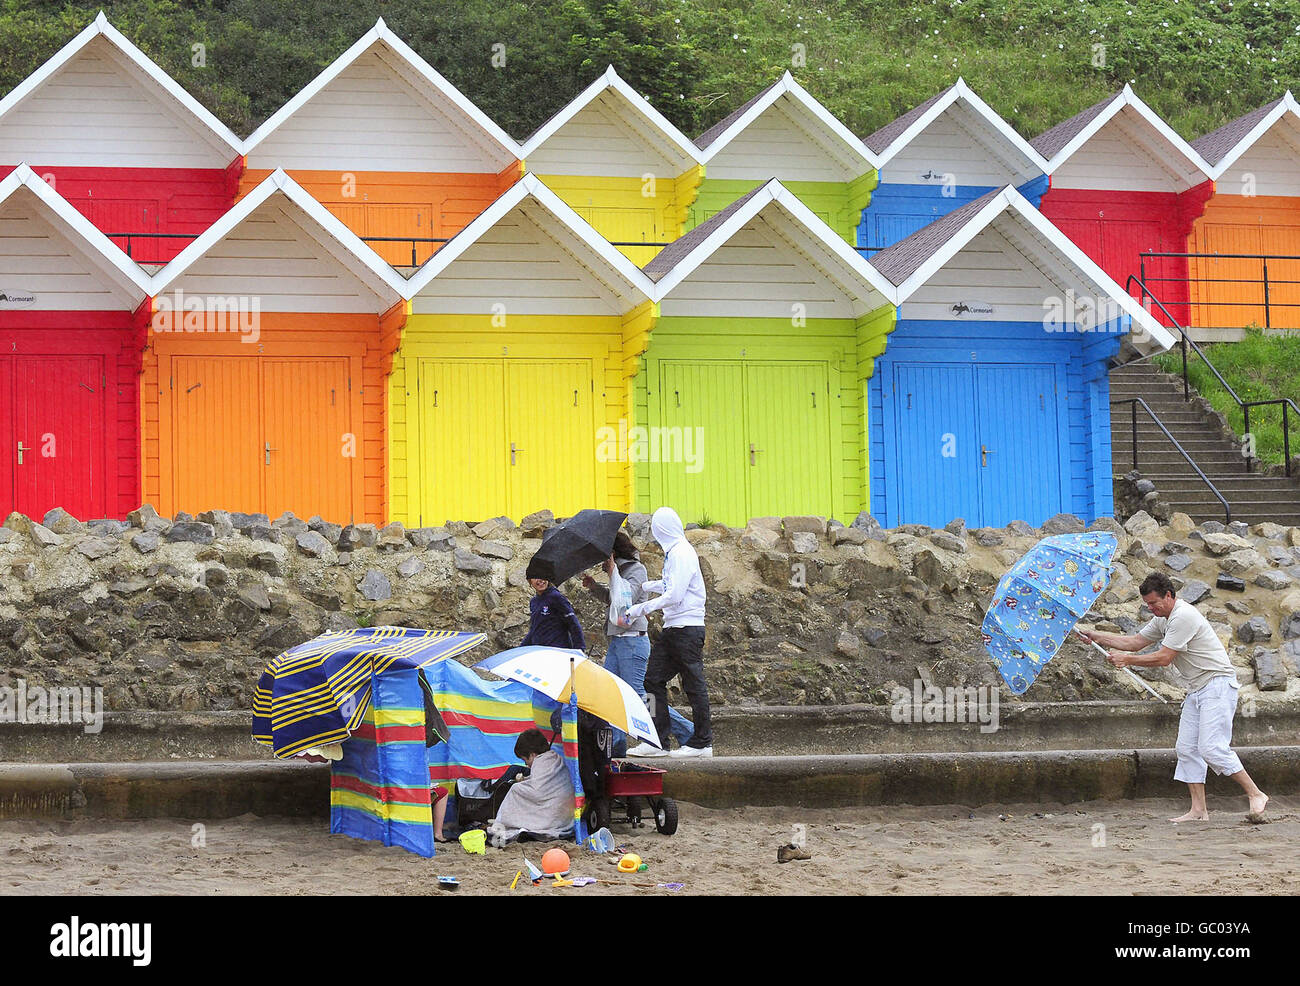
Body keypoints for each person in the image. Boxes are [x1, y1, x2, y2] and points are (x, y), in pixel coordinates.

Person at [1079, 572, 1268, 822]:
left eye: (1154, 603)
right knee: (1187, 748)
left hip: (1218, 685)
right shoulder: (1163, 619)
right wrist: (1095, 636)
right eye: (1147, 604)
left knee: (1211, 747)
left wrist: (1127, 661)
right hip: (1197, 688)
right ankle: (1199, 811)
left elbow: (1164, 658)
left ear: (1169, 596)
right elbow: (1135, 642)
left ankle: (1256, 794)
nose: (1151, 608)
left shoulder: (1183, 616)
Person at [582, 530, 695, 756]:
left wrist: (613, 571)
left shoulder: (635, 570)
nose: (601, 564)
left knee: (640, 696)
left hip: (632, 642)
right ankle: (616, 745)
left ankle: (682, 732)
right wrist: (595, 587)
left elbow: (628, 599)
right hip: (617, 642)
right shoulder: (621, 572)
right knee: (611, 693)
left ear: (612, 553)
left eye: (604, 558)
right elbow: (614, 602)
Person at [623, 507, 713, 759]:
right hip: (674, 628)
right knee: (652, 680)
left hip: (687, 628)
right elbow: (672, 584)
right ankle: (657, 740)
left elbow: (675, 594)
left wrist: (641, 607)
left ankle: (702, 743)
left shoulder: (682, 552)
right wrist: (647, 586)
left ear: (661, 529)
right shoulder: (674, 553)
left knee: (694, 685)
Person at [487, 728, 577, 844]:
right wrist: (525, 780)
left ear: (532, 754)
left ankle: (501, 824)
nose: (526, 764)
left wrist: (519, 784)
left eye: (525, 760)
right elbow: (544, 782)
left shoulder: (541, 761)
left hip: (552, 818)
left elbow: (537, 792)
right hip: (565, 817)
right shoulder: (554, 757)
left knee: (516, 789)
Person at [521, 572, 585, 651]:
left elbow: (573, 624)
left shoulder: (556, 597)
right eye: (535, 577)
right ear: (530, 581)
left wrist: (579, 649)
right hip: (539, 651)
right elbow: (534, 629)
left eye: (543, 576)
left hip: (557, 651)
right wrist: (520, 649)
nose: (540, 580)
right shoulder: (533, 602)